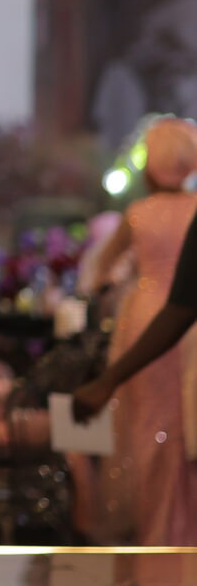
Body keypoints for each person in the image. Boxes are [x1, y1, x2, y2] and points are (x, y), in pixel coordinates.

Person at [70, 117, 197, 544]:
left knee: (150, 429)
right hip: (190, 333)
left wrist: (119, 284)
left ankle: (157, 533)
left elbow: (96, 269)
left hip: (150, 320)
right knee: (184, 429)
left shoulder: (139, 213)